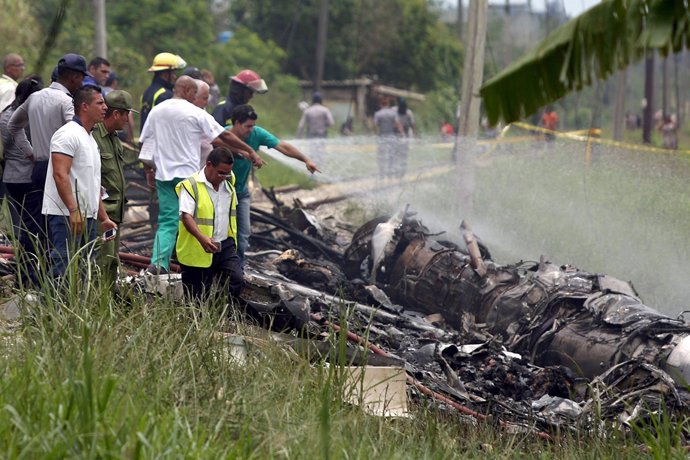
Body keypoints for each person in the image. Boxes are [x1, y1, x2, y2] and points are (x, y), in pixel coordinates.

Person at [139, 76, 263, 275]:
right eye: (195, 93)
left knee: (169, 221)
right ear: (188, 91)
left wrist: (148, 170)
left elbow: (145, 142)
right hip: (189, 177)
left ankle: (159, 264)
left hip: (164, 176)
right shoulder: (195, 112)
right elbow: (224, 135)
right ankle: (200, 265)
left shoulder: (157, 111)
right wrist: (250, 150)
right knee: (197, 221)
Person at [8, 53, 88, 264]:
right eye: (81, 78)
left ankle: (37, 272)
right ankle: (60, 273)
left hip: (39, 168)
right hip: (61, 169)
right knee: (60, 222)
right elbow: (76, 134)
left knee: (39, 223)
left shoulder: (35, 97)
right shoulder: (66, 102)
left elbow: (13, 126)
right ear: (73, 78)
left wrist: (30, 152)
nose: (82, 83)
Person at [229, 104, 320, 266]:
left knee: (243, 233)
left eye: (253, 126)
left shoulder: (257, 134)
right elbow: (212, 146)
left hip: (241, 192)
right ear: (236, 123)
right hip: (220, 192)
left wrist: (306, 160)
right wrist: (243, 152)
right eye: (247, 126)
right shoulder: (223, 134)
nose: (251, 130)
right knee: (222, 233)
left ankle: (238, 269)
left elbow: (282, 146)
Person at [42, 85, 117, 279]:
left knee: (84, 268)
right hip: (66, 215)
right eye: (100, 103)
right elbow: (60, 174)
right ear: (84, 106)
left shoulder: (90, 138)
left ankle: (74, 308)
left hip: (87, 216)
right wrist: (73, 210)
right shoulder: (67, 134)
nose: (105, 108)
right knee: (65, 265)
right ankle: (51, 307)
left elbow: (93, 183)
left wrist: (103, 217)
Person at [176, 146, 244, 300]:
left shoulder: (228, 180)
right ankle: (201, 320)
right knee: (197, 297)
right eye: (221, 172)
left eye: (227, 173)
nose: (224, 176)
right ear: (209, 165)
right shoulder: (191, 185)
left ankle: (222, 311)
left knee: (237, 280)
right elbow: (186, 216)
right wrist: (202, 238)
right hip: (197, 248)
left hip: (225, 245)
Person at [0, 75, 43, 284]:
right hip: (28, 178)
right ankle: (29, 276)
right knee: (33, 228)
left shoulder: (5, 114)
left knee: (25, 227)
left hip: (11, 177)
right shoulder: (28, 118)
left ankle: (25, 274)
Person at [92, 90, 138, 283]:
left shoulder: (114, 139)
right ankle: (95, 302)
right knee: (100, 261)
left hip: (115, 214)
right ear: (116, 113)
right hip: (103, 215)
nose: (128, 119)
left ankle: (107, 299)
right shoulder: (94, 137)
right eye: (126, 113)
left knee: (111, 261)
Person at [140, 52, 186, 130]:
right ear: (165, 74)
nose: (175, 77)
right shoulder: (165, 95)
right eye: (173, 73)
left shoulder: (147, 92)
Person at [373, 95, 403, 179]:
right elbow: (397, 124)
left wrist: (376, 134)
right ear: (388, 104)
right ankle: (390, 172)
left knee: (381, 156)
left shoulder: (377, 114)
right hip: (391, 136)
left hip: (382, 137)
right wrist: (401, 134)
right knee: (391, 155)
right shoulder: (393, 113)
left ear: (380, 104)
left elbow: (375, 126)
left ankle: (381, 173)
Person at [393, 97, 415, 178]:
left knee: (403, 155)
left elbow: (412, 125)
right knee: (396, 155)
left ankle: (402, 172)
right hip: (396, 136)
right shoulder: (394, 111)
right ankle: (396, 171)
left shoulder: (409, 113)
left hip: (405, 136)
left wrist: (413, 136)